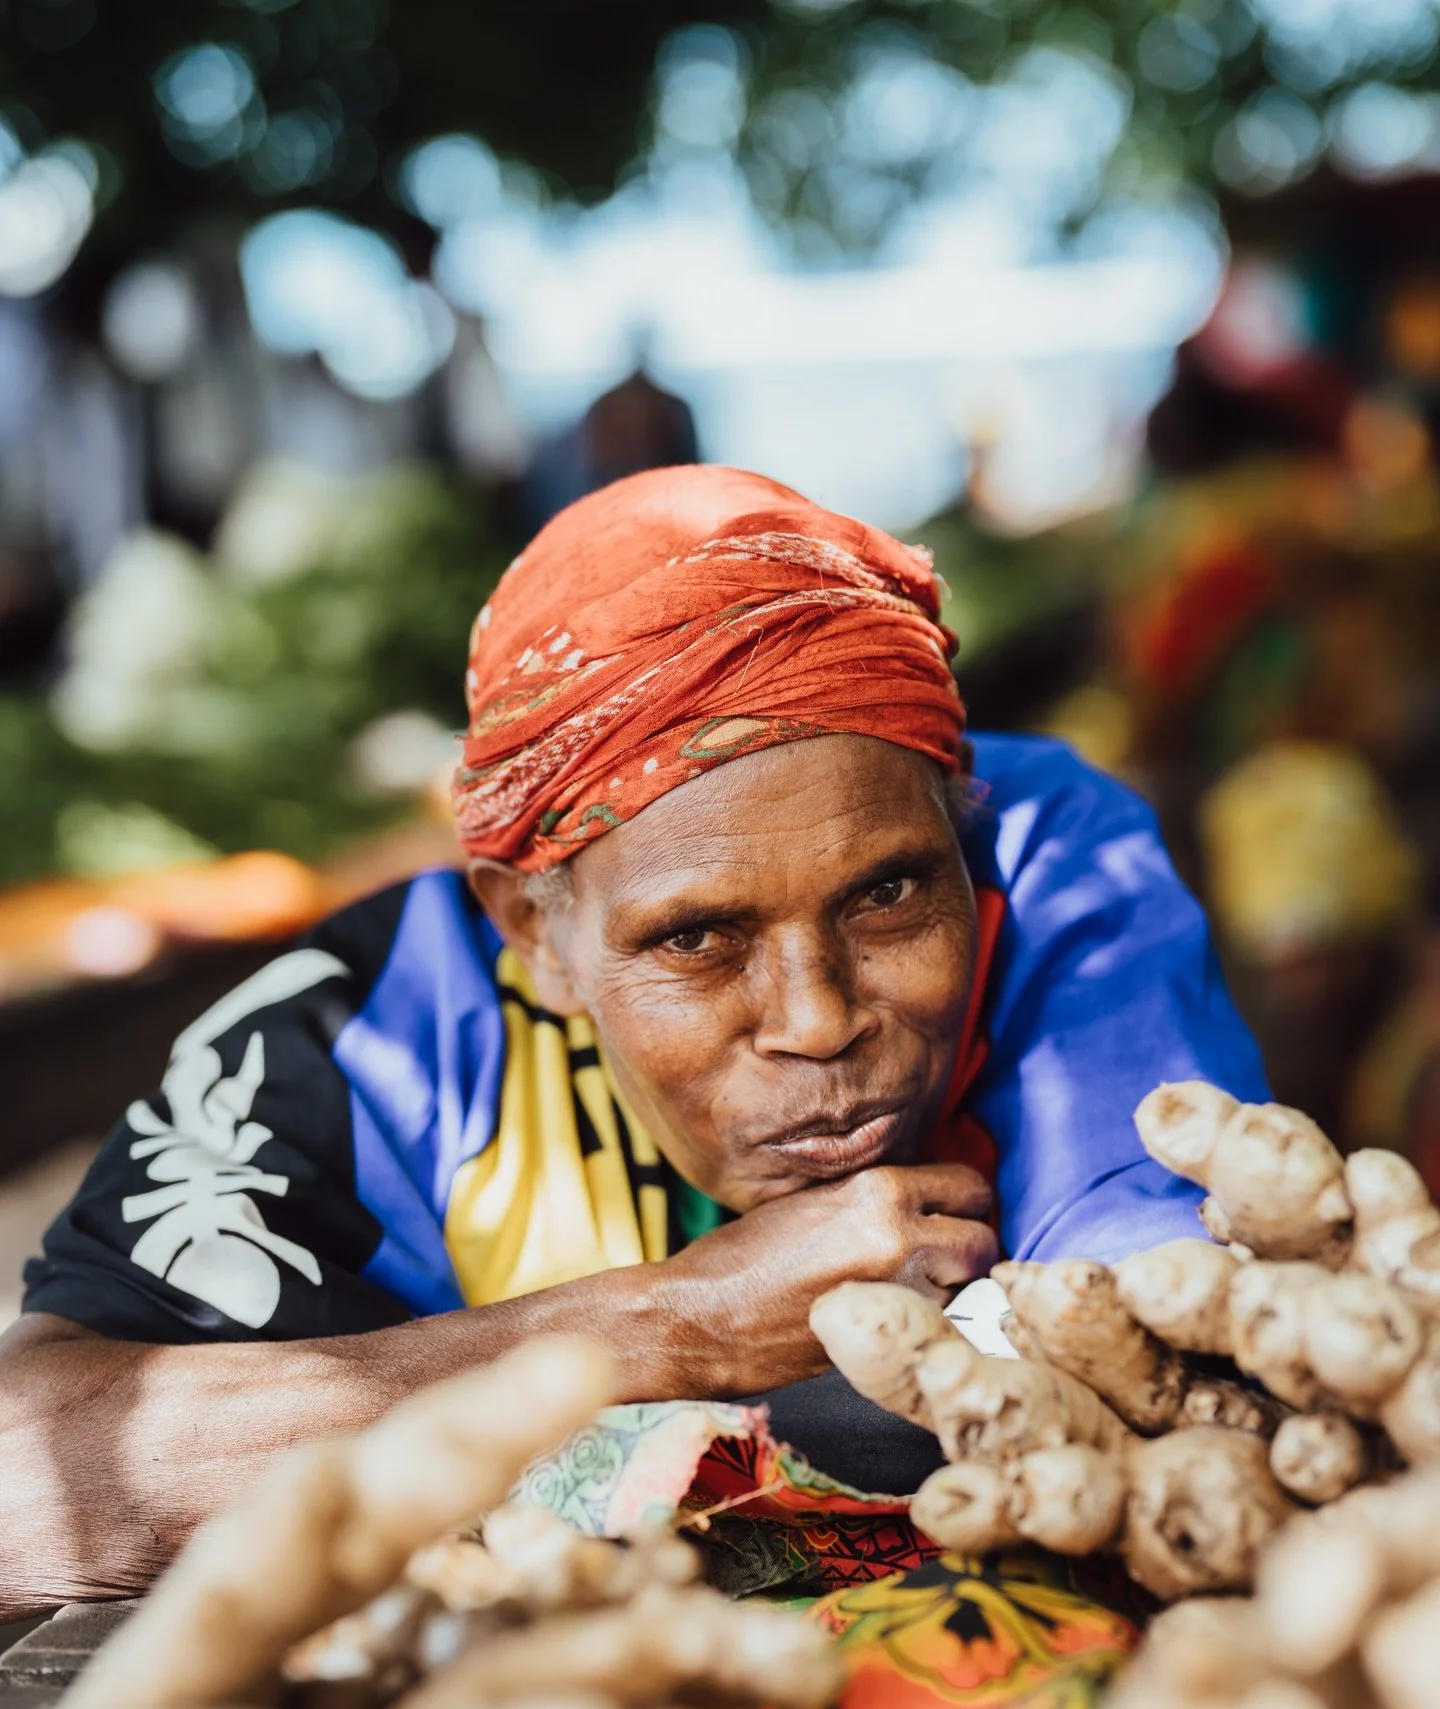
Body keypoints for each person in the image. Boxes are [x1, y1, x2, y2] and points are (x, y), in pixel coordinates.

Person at [0, 465, 1265, 1623]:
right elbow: (28, 1483)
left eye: (887, 897)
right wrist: (675, 1325)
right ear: (534, 935)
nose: (818, 1020)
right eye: (698, 940)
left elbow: (1159, 1323)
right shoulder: (364, 1039)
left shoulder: (1046, 866)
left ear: (956, 832)